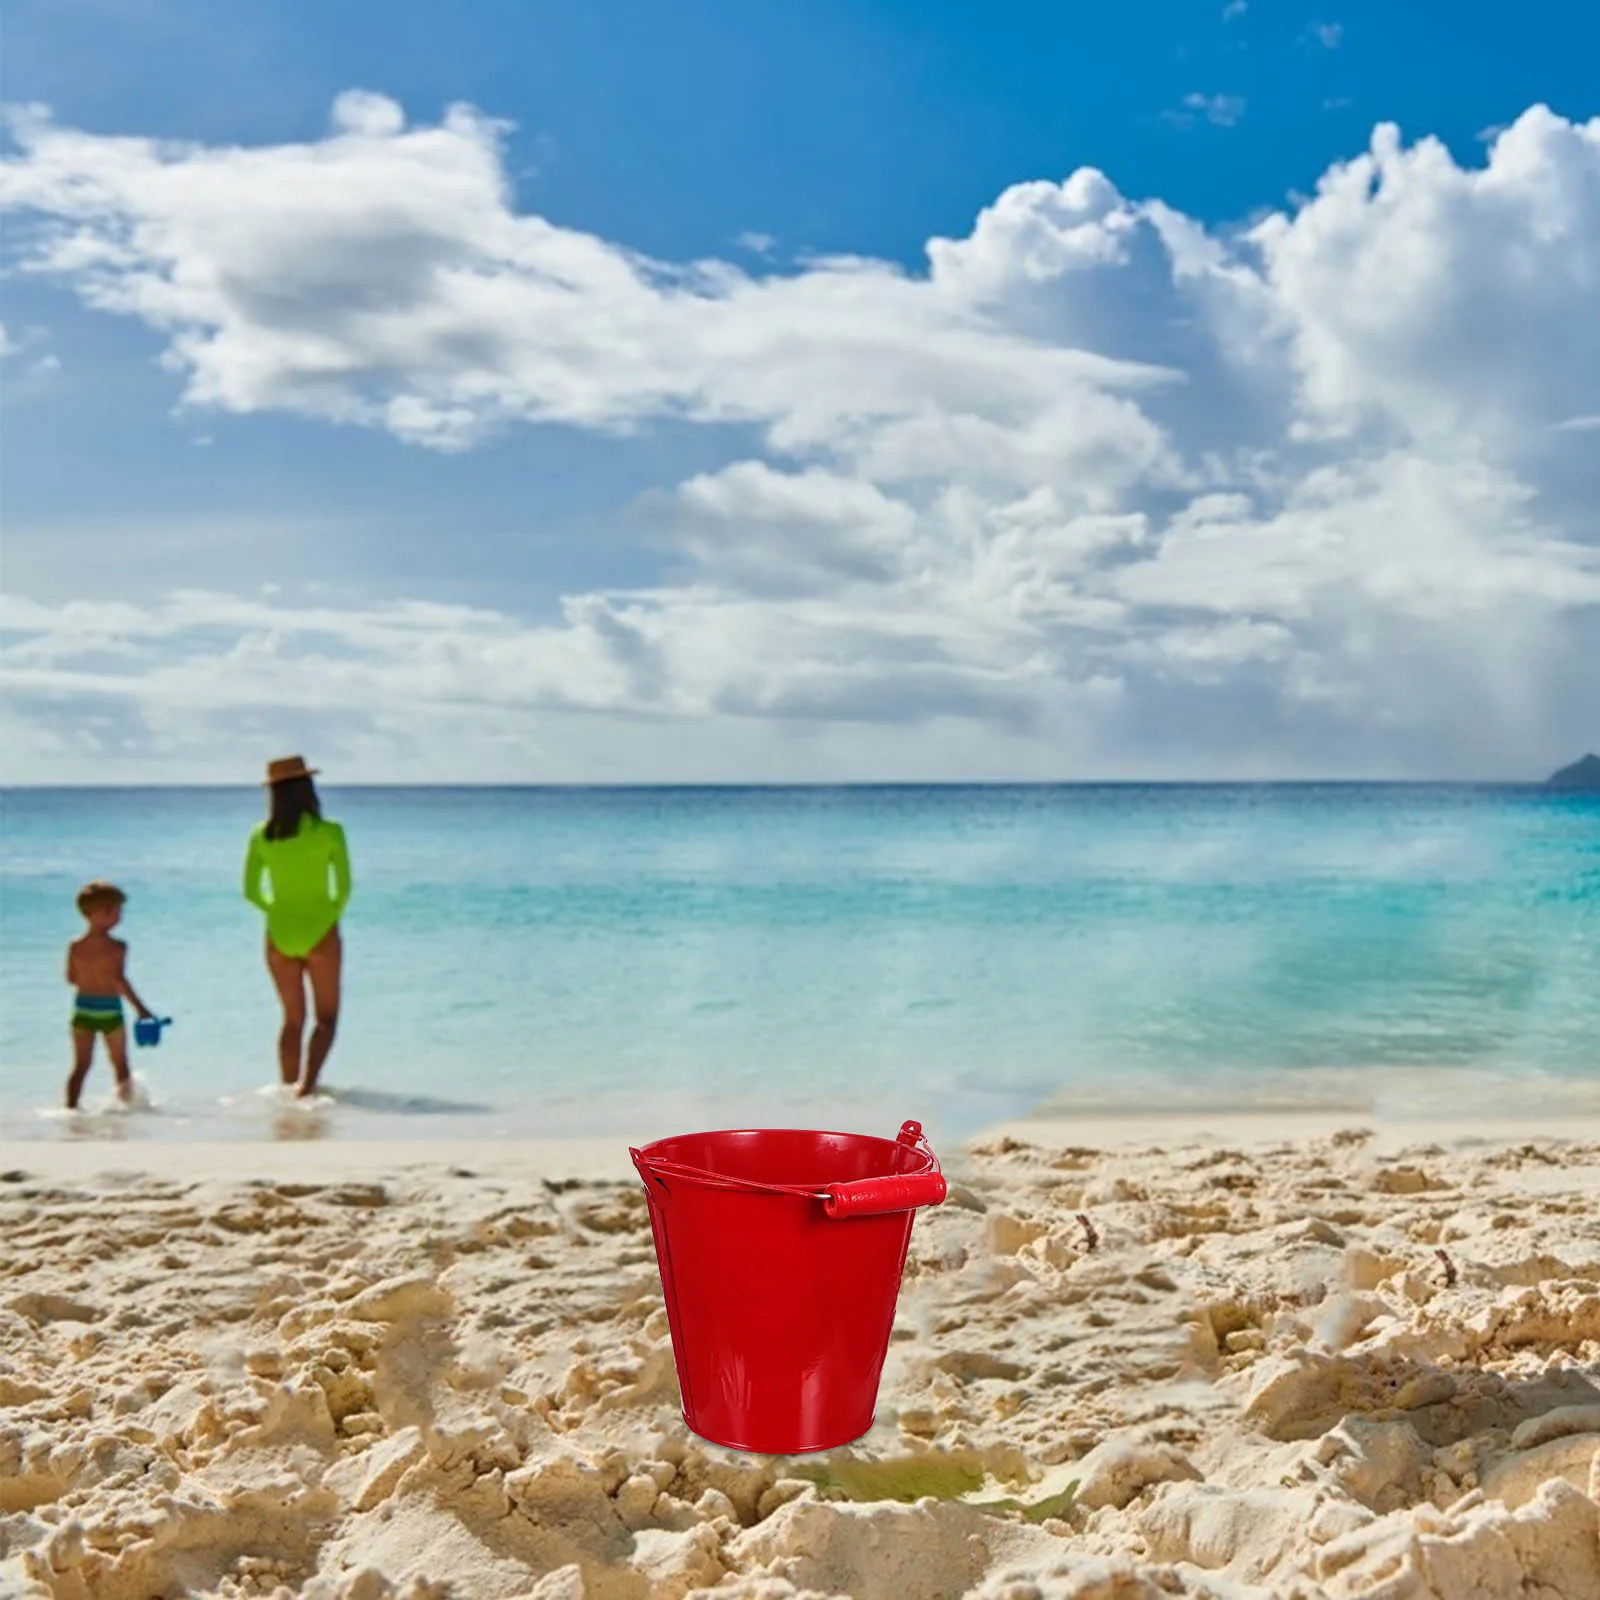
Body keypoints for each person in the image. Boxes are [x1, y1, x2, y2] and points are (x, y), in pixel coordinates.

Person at [243, 756, 352, 1099]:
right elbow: (345, 887)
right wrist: (328, 914)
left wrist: (274, 911)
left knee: (292, 1020)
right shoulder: (331, 831)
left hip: (279, 932)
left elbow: (250, 890)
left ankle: (287, 1089)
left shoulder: (262, 835)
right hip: (320, 928)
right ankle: (308, 1085)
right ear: (307, 788)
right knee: (326, 1018)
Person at [65, 881, 156, 1110]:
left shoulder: (75, 946)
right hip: (109, 1009)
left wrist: (89, 978)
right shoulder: (118, 947)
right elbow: (119, 981)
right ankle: (126, 1108)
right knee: (120, 1064)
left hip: (83, 1007)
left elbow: (70, 978)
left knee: (81, 1065)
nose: (118, 917)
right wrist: (141, 1009)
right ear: (96, 913)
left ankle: (70, 1109)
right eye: (114, 912)